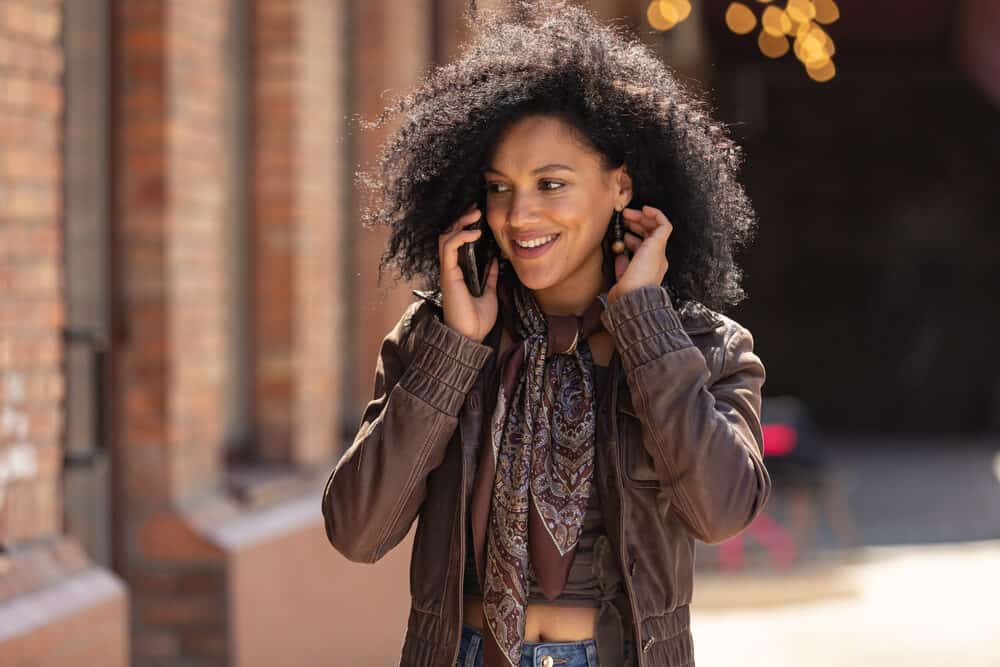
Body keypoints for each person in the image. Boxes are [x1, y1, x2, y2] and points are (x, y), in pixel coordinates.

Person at [322, 3, 771, 666]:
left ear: (619, 186)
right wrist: (454, 351)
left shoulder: (704, 348)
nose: (519, 213)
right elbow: (358, 531)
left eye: (550, 183)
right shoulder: (436, 339)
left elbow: (722, 510)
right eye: (499, 187)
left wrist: (644, 321)